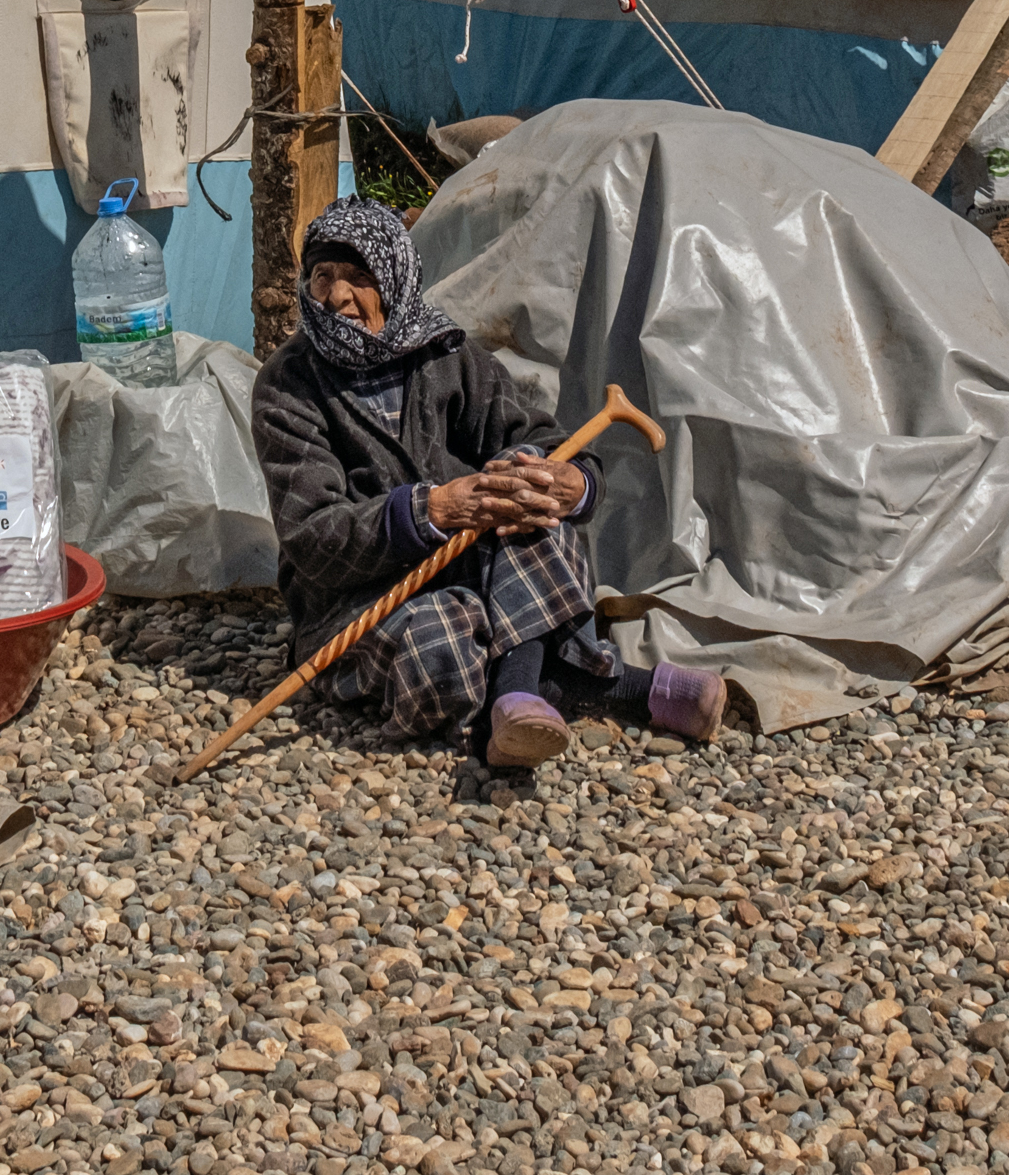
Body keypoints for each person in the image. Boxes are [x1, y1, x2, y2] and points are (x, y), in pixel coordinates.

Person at [252, 197, 727, 767]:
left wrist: (571, 484)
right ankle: (617, 687)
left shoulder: (445, 355)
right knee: (441, 649)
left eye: (358, 276)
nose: (335, 297)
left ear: (396, 278)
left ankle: (514, 697)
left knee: (524, 482)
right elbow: (311, 538)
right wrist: (434, 508)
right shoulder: (287, 386)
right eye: (322, 276)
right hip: (357, 600)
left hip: (482, 566)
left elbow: (543, 441)